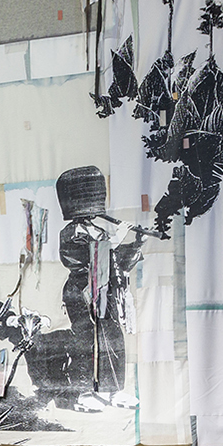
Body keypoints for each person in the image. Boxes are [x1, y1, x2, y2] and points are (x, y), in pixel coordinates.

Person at [56, 165, 147, 412]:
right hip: (81, 291)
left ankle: (113, 390)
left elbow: (114, 261)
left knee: (113, 338)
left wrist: (136, 244)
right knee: (86, 341)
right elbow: (89, 257)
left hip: (104, 291)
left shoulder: (98, 230)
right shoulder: (70, 232)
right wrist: (116, 238)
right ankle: (83, 392)